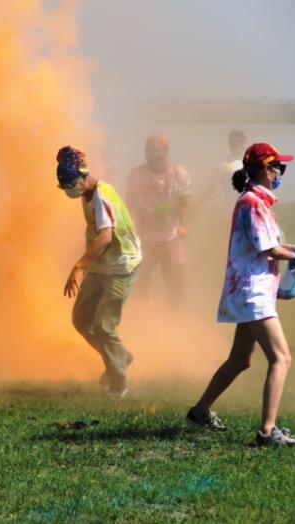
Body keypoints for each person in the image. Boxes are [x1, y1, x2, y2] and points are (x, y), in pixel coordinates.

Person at [187, 143, 295, 447]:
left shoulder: (257, 202)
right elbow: (267, 248)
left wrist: (293, 248)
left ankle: (199, 412)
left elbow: (267, 243)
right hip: (251, 292)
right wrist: (293, 255)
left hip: (249, 291)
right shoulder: (253, 203)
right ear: (265, 170)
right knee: (281, 358)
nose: (280, 172)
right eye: (278, 167)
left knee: (240, 360)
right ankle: (267, 432)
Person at [57, 146, 142, 398]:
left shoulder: (102, 196)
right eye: (64, 187)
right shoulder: (87, 193)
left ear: (84, 176)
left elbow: (105, 237)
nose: (69, 190)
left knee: (104, 326)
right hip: (100, 266)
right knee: (82, 320)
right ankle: (121, 356)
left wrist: (78, 267)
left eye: (72, 184)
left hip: (121, 268)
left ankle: (119, 384)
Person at [126, 134, 190, 303]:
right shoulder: (137, 174)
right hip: (145, 237)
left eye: (156, 151)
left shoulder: (179, 173)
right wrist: (134, 222)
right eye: (148, 151)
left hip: (171, 236)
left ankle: (176, 319)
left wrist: (182, 224)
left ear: (166, 152)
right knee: (140, 280)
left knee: (176, 281)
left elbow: (184, 201)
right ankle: (141, 316)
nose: (152, 155)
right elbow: (130, 203)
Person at [197, 130, 247, 210]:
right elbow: (210, 189)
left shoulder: (251, 163)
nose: (237, 144)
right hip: (232, 214)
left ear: (244, 143)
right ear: (230, 144)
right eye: (234, 142)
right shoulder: (222, 165)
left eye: (240, 141)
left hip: (250, 214)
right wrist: (196, 207)